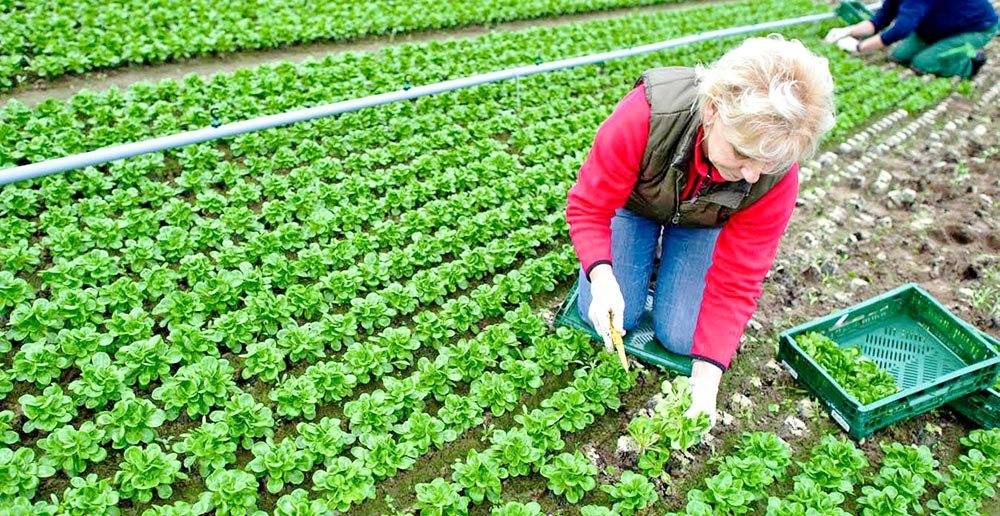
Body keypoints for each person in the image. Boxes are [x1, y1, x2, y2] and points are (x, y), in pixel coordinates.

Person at [565, 35, 835, 427]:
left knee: (683, 337)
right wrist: (602, 278)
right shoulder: (648, 114)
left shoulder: (773, 177)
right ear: (712, 110)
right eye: (742, 153)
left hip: (701, 221)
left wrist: (706, 385)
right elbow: (589, 207)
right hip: (634, 206)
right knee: (607, 313)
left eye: (767, 162)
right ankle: (638, 258)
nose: (752, 174)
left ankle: (665, 260)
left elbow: (738, 280)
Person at [825, 0, 998, 79]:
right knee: (899, 55)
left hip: (975, 27)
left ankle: (969, 64)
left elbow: (902, 29)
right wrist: (847, 31)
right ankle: (939, 45)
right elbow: (879, 21)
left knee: (922, 64)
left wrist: (860, 47)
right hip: (938, 26)